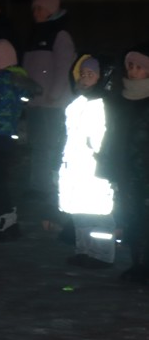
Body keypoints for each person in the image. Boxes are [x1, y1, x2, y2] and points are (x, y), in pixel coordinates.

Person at [0, 38, 40, 241]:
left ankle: (3, 223)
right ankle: (8, 221)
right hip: (4, 138)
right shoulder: (15, 80)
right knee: (0, 180)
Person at [57, 54, 117, 268]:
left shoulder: (103, 105)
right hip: (75, 166)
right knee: (79, 211)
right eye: (82, 74)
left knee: (98, 213)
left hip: (94, 168)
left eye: (90, 74)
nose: (84, 79)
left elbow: (102, 138)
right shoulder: (76, 104)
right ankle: (83, 249)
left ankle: (101, 254)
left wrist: (103, 162)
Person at [21, 0, 77, 207]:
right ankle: (39, 185)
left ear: (51, 10)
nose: (36, 13)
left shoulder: (60, 35)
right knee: (38, 145)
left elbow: (65, 67)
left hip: (53, 103)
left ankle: (50, 186)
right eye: (34, 8)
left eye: (40, 8)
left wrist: (54, 93)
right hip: (36, 101)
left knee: (50, 145)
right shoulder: (35, 34)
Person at [102, 45, 149, 283]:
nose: (133, 71)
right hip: (126, 168)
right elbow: (112, 135)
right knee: (131, 216)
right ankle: (138, 263)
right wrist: (108, 164)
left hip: (145, 168)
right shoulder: (119, 99)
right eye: (130, 66)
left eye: (139, 67)